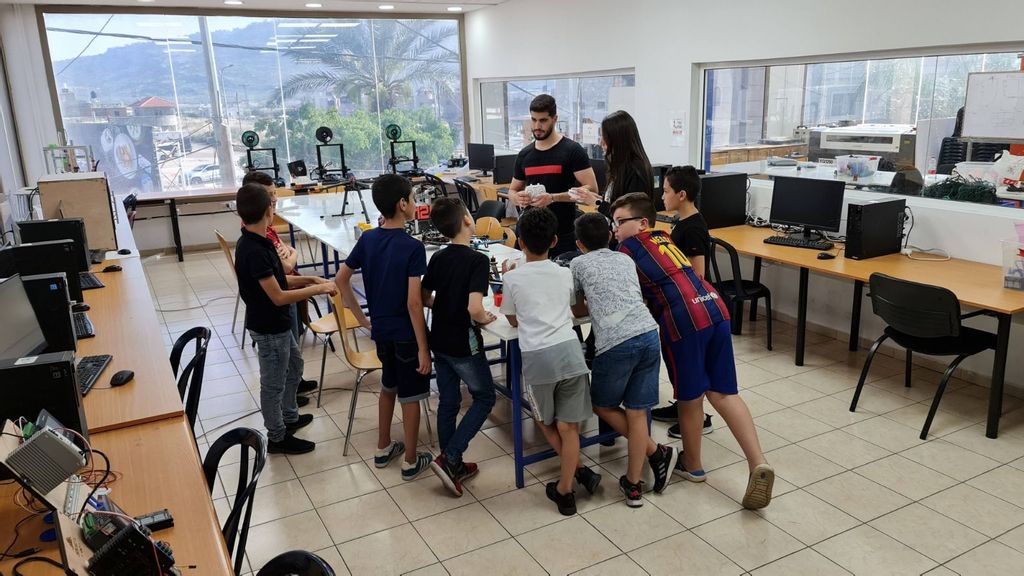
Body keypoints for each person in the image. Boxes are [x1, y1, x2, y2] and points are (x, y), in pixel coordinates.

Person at [609, 192, 774, 510]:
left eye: (620, 222)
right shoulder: (665, 236)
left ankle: (693, 465)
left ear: (642, 223)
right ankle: (758, 463)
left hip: (683, 319)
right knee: (724, 393)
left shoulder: (628, 248)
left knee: (689, 397)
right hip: (715, 307)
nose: (615, 230)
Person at [569, 212, 677, 507]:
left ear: (579, 244)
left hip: (616, 342)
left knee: (600, 404)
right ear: (609, 236)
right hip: (647, 333)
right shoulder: (625, 258)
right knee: (637, 412)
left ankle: (656, 451)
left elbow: (577, 307)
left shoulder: (577, 263)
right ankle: (633, 483)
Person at [499, 207, 599, 516]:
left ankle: (565, 490)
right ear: (555, 241)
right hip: (570, 351)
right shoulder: (565, 272)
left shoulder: (512, 278)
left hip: (538, 359)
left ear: (520, 243)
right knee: (570, 428)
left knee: (544, 421)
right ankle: (573, 479)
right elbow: (572, 307)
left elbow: (513, 321)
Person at [335, 174, 433, 481]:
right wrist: (423, 348)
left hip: (382, 332)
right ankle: (411, 460)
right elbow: (414, 304)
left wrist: (364, 320)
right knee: (413, 395)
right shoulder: (412, 247)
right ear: (402, 204)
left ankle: (382, 446)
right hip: (406, 334)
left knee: (388, 386)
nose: (416, 204)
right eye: (414, 199)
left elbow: (340, 279)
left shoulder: (368, 239)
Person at [233, 183, 337, 455]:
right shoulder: (253, 250)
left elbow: (279, 278)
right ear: (269, 210)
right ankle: (277, 436)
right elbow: (278, 296)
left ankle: (289, 416)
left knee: (295, 365)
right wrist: (319, 288)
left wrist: (310, 278)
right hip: (268, 328)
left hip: (276, 324)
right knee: (273, 384)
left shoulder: (259, 241)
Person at [421, 197, 498, 497]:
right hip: (462, 344)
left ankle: (451, 463)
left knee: (449, 401)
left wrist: (447, 303)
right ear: (468, 220)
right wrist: (483, 316)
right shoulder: (477, 260)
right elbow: (475, 308)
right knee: (485, 397)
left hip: (438, 339)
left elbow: (426, 296)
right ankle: (450, 456)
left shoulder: (438, 257)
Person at [241, 171, 317, 406]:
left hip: (278, 310)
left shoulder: (263, 235)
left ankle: (291, 396)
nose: (274, 202)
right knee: (275, 378)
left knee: (292, 351)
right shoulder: (256, 244)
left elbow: (284, 260)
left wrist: (297, 264)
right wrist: (315, 285)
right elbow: (284, 268)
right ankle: (279, 430)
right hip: (271, 317)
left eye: (275, 196)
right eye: (270, 198)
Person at [650, 166, 715, 437]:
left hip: (690, 309)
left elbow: (697, 274)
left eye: (666, 191)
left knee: (689, 366)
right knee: (674, 360)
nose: (662, 196)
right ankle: (682, 407)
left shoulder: (693, 229)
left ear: (682, 194)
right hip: (677, 305)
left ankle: (699, 417)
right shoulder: (680, 222)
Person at [508, 94, 599, 257]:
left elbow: (591, 188)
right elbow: (512, 190)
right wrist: (517, 198)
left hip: (562, 234)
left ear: (554, 119)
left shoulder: (572, 151)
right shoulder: (524, 155)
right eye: (534, 120)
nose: (537, 126)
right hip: (531, 234)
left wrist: (553, 197)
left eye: (543, 120)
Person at [574, 110, 656, 216]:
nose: (600, 143)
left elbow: (629, 215)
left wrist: (597, 203)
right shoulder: (619, 167)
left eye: (604, 138)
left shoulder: (636, 169)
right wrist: (595, 198)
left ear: (617, 139)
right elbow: (615, 203)